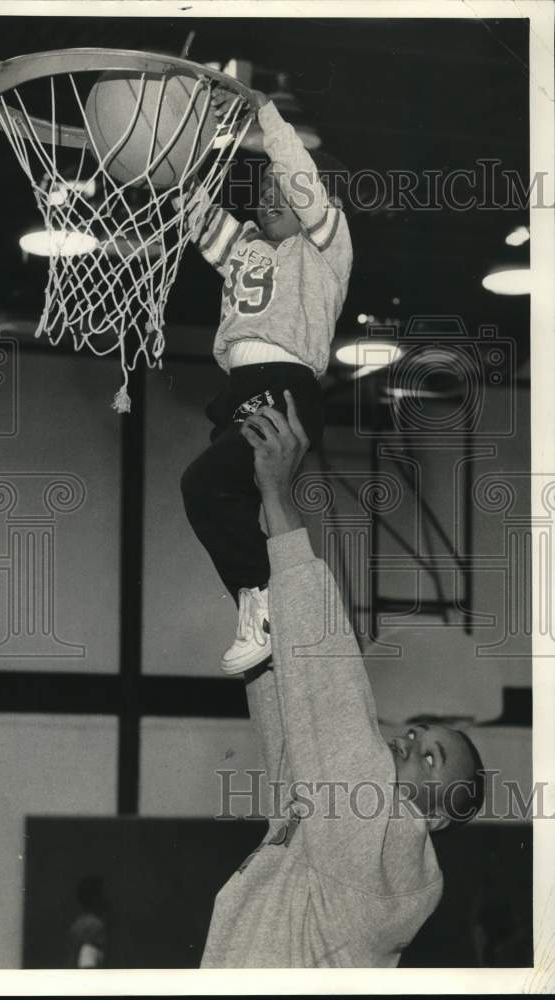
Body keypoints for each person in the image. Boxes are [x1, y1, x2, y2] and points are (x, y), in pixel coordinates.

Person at [200, 392, 486, 969]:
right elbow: (295, 726)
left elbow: (329, 692)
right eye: (418, 733)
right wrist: (256, 584)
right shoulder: (331, 831)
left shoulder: (392, 863)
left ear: (433, 818)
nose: (408, 741)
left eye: (430, 758)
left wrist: (280, 496)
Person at [180, 85, 352, 675]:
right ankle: (263, 600)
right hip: (241, 393)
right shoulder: (245, 249)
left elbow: (300, 178)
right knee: (216, 494)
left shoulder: (325, 248)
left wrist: (266, 116)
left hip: (284, 385)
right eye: (265, 191)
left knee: (201, 485)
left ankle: (263, 598)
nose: (270, 197)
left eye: (284, 191)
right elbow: (191, 205)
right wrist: (175, 143)